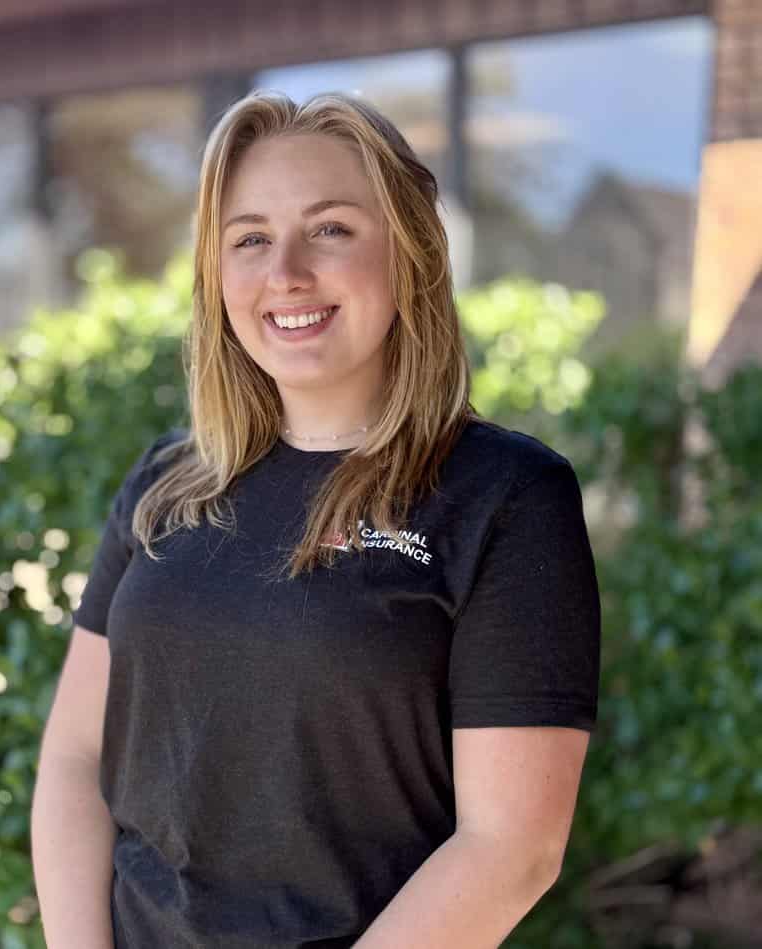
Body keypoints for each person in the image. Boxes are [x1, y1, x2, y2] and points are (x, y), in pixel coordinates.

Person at [31, 89, 601, 949]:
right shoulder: (166, 483)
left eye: (330, 229)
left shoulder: (506, 494)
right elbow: (75, 761)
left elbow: (512, 845)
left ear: (409, 255)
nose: (286, 272)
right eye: (250, 238)